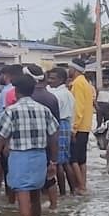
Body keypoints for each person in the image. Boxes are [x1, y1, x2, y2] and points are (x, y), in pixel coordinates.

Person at [0, 74, 60, 216]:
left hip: (20, 157)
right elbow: (53, 137)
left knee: (23, 198)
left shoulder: (11, 111)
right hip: (40, 156)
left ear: (16, 91)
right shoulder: (44, 110)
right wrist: (53, 161)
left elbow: (0, 139)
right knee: (35, 196)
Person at [28, 69, 63, 209]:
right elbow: (56, 128)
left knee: (29, 179)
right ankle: (54, 206)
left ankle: (30, 206)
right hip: (47, 143)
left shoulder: (26, 98)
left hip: (29, 145)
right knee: (50, 176)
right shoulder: (51, 97)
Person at [47, 67, 77, 195]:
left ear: (61, 80)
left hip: (59, 124)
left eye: (53, 78)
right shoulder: (68, 93)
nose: (49, 81)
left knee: (58, 162)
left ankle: (63, 192)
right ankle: (73, 190)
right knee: (65, 161)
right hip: (66, 125)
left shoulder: (58, 95)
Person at [68, 66, 95, 196]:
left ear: (75, 70)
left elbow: (78, 107)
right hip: (86, 125)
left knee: (73, 159)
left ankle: (81, 187)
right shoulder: (85, 83)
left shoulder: (78, 83)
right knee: (82, 159)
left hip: (79, 126)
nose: (69, 70)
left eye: (70, 68)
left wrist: (74, 128)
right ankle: (83, 185)